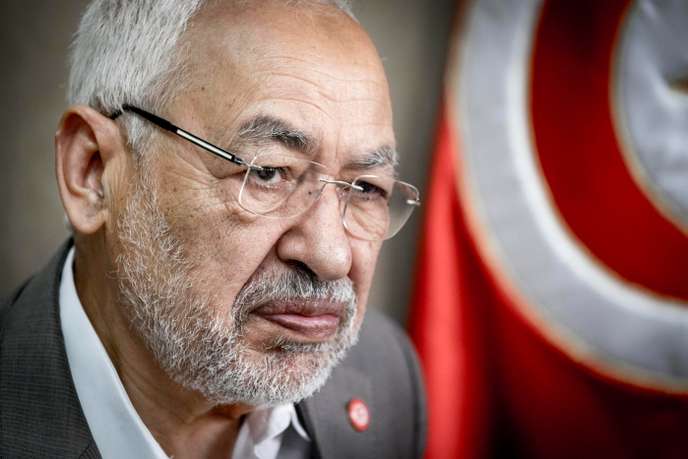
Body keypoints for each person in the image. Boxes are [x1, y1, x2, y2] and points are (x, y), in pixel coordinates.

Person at [0, 1, 426, 458]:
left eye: (366, 188)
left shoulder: (385, 373)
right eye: (267, 172)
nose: (331, 256)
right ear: (93, 172)